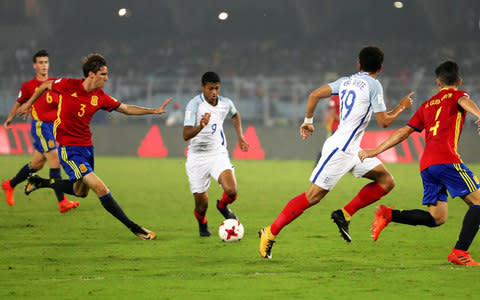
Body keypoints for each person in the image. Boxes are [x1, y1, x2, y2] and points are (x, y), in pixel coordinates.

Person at [258, 46, 414, 259]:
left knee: (386, 180)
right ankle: (270, 232)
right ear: (380, 68)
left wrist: (308, 122)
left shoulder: (345, 81)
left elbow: (314, 95)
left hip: (352, 149)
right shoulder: (374, 85)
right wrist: (402, 107)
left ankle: (344, 214)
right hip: (341, 149)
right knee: (312, 196)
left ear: (358, 64)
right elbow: (384, 121)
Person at [17, 53, 171, 240]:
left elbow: (126, 109)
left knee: (80, 192)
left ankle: (40, 182)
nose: (107, 78)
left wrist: (153, 111)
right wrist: (28, 104)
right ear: (91, 74)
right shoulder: (67, 85)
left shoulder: (100, 97)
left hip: (87, 149)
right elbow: (43, 86)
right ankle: (136, 228)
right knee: (101, 189)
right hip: (68, 150)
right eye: (103, 74)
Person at [359, 60, 480, 266]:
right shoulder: (460, 95)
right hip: (447, 161)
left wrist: (375, 151)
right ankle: (460, 252)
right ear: (459, 81)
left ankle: (388, 215)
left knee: (437, 218)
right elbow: (464, 101)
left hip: (427, 166)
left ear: (438, 83)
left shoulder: (426, 105)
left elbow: (403, 132)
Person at [2, 49, 79, 213]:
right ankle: (62, 202)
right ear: (34, 65)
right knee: (55, 161)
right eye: (41, 63)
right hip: (41, 126)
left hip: (54, 127)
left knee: (37, 164)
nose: (44, 66)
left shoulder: (55, 83)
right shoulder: (29, 86)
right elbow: (19, 103)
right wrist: (9, 118)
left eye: (46, 62)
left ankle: (10, 185)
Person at [183, 71, 249, 237]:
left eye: (217, 88)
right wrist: (200, 126)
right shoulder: (194, 105)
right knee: (201, 205)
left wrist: (240, 136)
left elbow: (235, 115)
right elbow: (186, 135)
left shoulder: (225, 103)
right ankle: (202, 223)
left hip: (217, 154)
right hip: (197, 158)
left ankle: (222, 206)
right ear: (203, 87)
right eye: (210, 88)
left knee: (232, 191)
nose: (214, 92)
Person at [316, 95, 340, 163]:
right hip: (334, 128)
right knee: (328, 146)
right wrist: (343, 121)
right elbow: (332, 113)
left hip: (345, 128)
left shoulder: (347, 96)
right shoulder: (334, 98)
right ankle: (319, 162)